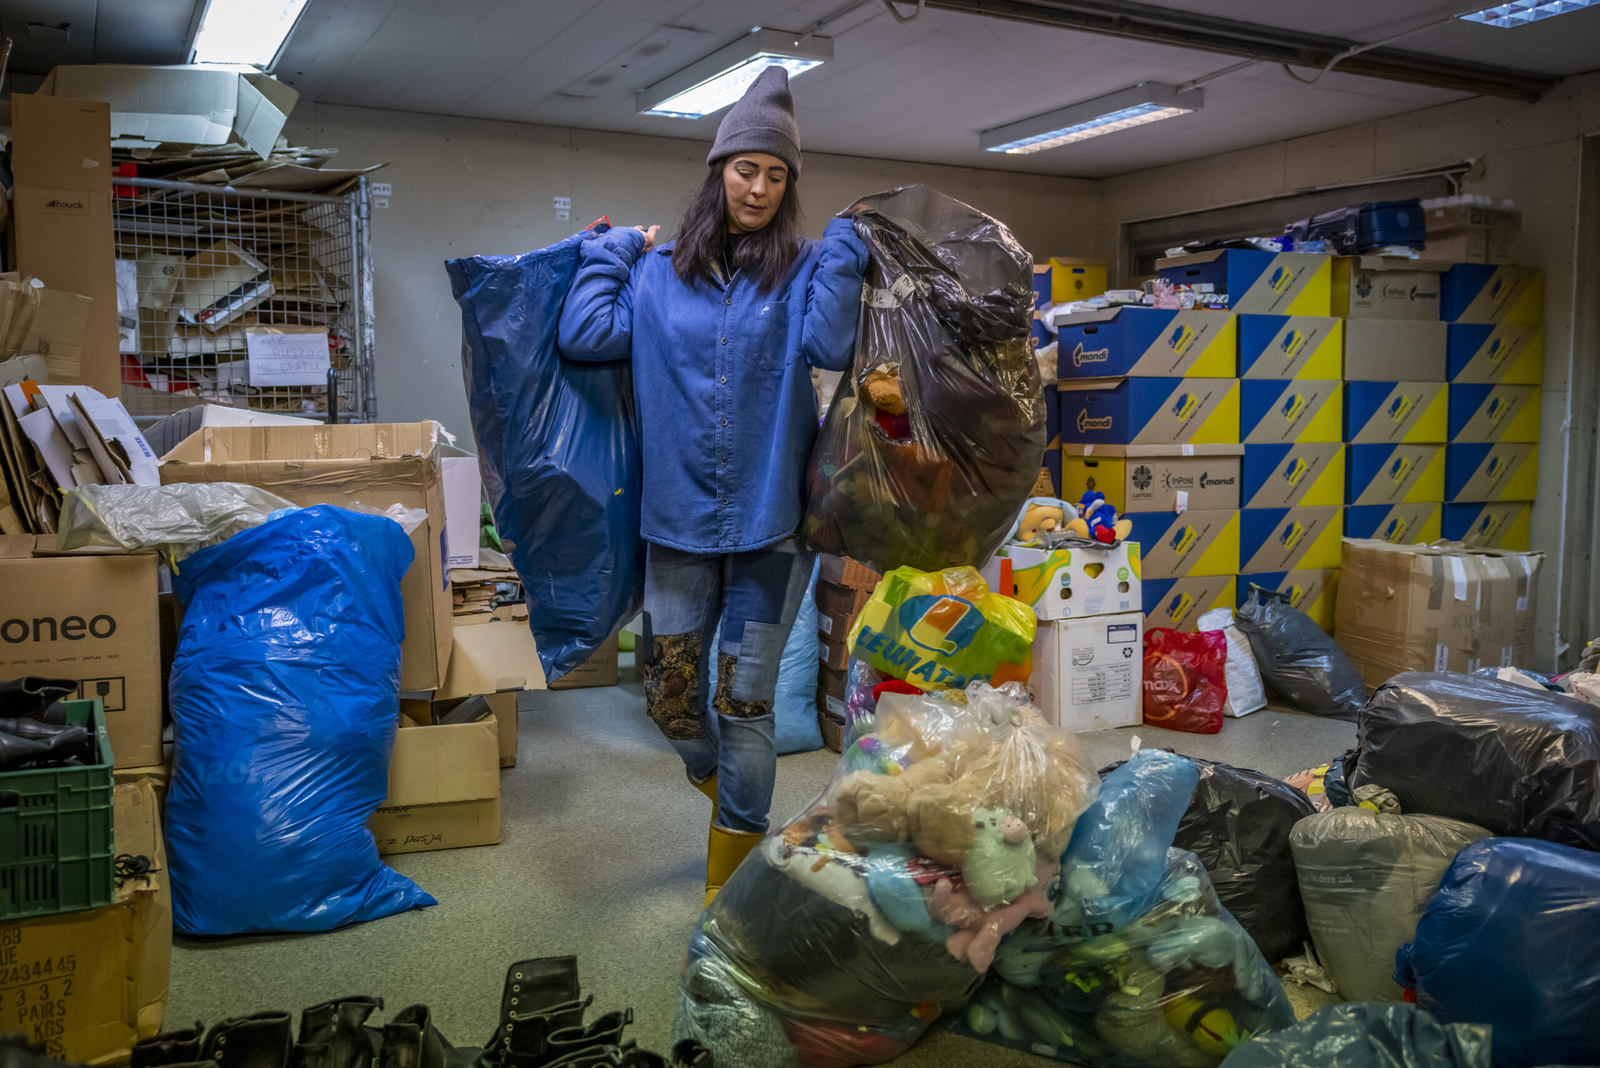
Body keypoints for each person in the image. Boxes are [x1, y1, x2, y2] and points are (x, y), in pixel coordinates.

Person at [558, 67, 869, 903]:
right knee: (670, 695)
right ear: (717, 170)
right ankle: (726, 794)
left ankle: (731, 879)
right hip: (678, 521)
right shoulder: (659, 273)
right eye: (746, 169)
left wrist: (841, 253)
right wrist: (612, 250)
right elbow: (587, 333)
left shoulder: (801, 267)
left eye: (776, 175)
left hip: (772, 527)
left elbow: (833, 345)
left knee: (744, 704)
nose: (759, 188)